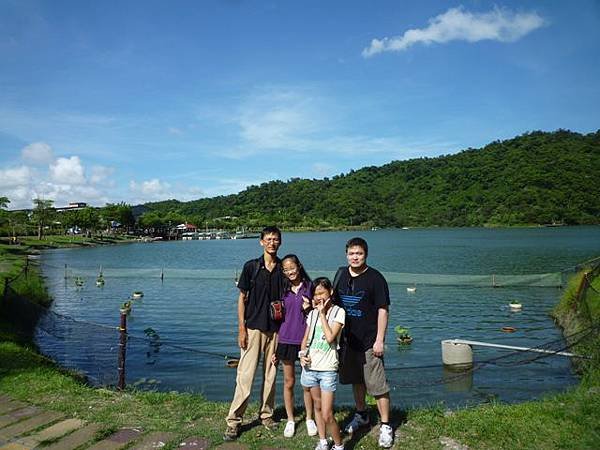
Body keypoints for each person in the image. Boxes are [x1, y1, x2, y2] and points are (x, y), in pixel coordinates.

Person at [223, 226, 285, 441]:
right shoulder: (251, 267)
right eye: (268, 239)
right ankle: (234, 421)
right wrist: (241, 329)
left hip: (275, 330)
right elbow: (242, 299)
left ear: (280, 242)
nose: (272, 243)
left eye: (275, 239)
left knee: (271, 375)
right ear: (261, 242)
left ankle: (266, 415)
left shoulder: (283, 268)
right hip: (253, 328)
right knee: (245, 375)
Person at [334, 237, 393, 448]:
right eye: (351, 253)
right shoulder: (341, 275)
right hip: (348, 341)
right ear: (346, 254)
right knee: (357, 380)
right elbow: (332, 303)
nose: (355, 257)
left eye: (358, 253)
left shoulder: (375, 278)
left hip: (369, 341)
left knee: (377, 384)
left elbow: (383, 310)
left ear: (365, 254)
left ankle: (385, 424)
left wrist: (379, 340)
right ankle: (362, 415)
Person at [273, 254, 318, 438]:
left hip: (306, 341)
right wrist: (275, 348)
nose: (290, 271)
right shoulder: (282, 290)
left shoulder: (311, 287)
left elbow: (318, 314)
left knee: (307, 383)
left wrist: (309, 308)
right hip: (285, 340)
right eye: (286, 269)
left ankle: (309, 418)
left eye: (292, 267)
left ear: (299, 266)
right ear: (283, 272)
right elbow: (277, 320)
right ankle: (291, 419)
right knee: (289, 382)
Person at [300, 277, 346, 450]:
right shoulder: (311, 314)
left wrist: (322, 314)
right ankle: (323, 441)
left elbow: (330, 337)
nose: (318, 297)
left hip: (327, 369)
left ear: (331, 292)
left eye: (322, 293)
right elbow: (305, 338)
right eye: (316, 293)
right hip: (310, 368)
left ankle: (339, 445)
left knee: (327, 413)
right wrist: (301, 354)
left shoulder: (338, 312)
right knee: (317, 407)